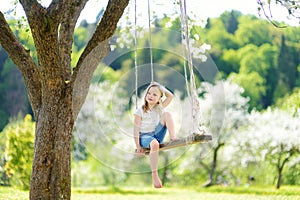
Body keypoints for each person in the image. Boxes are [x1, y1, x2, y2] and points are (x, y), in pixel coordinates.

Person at [133, 81, 177, 188]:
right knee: (154, 144)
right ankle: (155, 175)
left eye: (155, 94)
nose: (151, 96)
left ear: (159, 99)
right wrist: (138, 147)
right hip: (145, 137)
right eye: (149, 93)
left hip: (157, 135)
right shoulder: (140, 111)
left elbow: (170, 96)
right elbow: (135, 130)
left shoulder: (159, 107)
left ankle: (173, 137)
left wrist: (160, 86)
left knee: (167, 114)